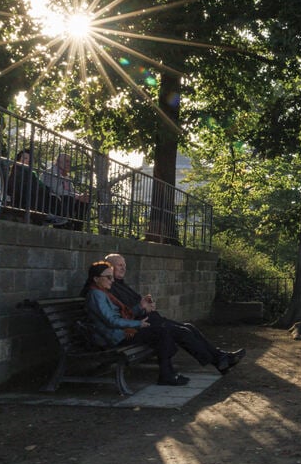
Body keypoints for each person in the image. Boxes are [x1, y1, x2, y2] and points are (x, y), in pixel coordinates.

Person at [104, 253, 245, 374]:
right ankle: (219, 360)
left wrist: (148, 304)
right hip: (141, 326)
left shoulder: (121, 284)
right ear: (109, 267)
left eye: (124, 264)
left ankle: (220, 357)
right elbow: (123, 312)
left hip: (151, 320)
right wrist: (142, 307)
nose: (124, 268)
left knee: (189, 327)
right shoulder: (109, 286)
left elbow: (136, 303)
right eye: (119, 265)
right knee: (183, 332)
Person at [81, 261, 189, 386]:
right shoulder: (96, 294)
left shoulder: (103, 292)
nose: (112, 280)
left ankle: (168, 373)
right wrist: (137, 324)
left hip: (121, 332)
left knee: (160, 330)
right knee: (160, 332)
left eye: (112, 277)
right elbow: (111, 320)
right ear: (96, 279)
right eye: (108, 277)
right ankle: (167, 374)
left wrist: (139, 307)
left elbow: (121, 315)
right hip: (115, 337)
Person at [6, 149, 65, 224]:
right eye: (25, 158)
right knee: (40, 191)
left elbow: (39, 184)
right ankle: (46, 215)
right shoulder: (18, 172)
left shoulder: (27, 172)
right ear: (18, 160)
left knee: (43, 191)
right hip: (21, 201)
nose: (27, 161)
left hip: (29, 200)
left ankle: (49, 215)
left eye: (29, 159)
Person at [41, 153, 90, 230]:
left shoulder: (65, 175)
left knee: (84, 201)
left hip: (63, 200)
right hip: (51, 200)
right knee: (68, 198)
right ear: (58, 162)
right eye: (67, 161)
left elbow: (72, 190)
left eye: (70, 162)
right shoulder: (51, 172)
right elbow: (58, 190)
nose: (69, 164)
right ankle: (64, 226)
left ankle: (77, 228)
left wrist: (81, 195)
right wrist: (77, 196)